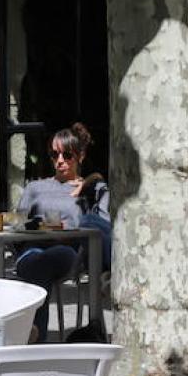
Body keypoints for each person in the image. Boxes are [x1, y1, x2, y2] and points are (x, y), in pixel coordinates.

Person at [14, 122, 111, 342]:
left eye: (67, 155)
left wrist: (92, 181)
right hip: (32, 249)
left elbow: (102, 228)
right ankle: (33, 334)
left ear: (80, 156)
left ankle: (33, 333)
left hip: (69, 252)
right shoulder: (34, 188)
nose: (59, 161)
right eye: (54, 154)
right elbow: (18, 223)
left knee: (53, 256)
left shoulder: (91, 189)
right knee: (36, 260)